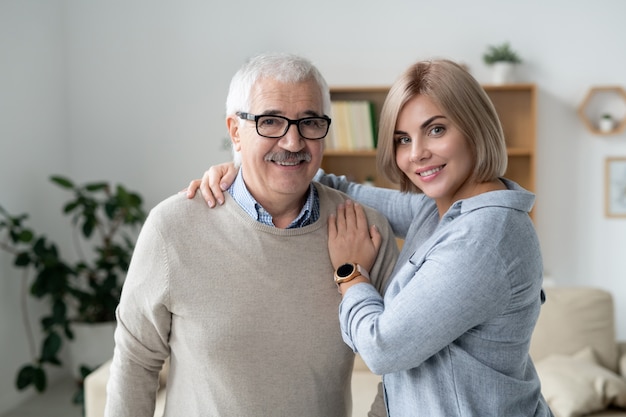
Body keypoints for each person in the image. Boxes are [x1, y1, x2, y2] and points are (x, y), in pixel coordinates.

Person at [186, 59, 553, 416]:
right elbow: (337, 187)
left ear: (475, 127)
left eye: (436, 130)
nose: (417, 154)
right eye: (402, 139)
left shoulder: (484, 238)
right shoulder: (439, 210)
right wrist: (245, 168)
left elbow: (382, 347)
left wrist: (351, 272)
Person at [105, 52, 399, 417]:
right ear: (235, 131)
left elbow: (404, 365)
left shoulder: (366, 232)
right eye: (270, 121)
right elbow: (136, 362)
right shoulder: (172, 228)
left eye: (309, 122)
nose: (293, 142)